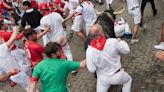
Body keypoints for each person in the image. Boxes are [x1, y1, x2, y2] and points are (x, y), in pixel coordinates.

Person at [86, 24, 132, 92]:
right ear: (102, 32)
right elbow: (127, 50)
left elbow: (92, 69)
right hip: (117, 76)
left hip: (102, 78)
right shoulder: (113, 42)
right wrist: (120, 41)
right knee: (128, 80)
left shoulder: (89, 50)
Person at [0, 26, 30, 92]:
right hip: (16, 73)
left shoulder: (2, 49)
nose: (1, 39)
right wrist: (15, 29)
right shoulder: (1, 48)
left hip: (13, 76)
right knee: (30, 86)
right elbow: (14, 37)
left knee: (27, 85)